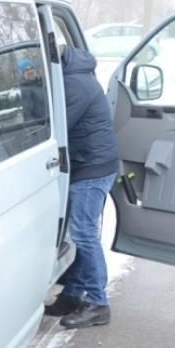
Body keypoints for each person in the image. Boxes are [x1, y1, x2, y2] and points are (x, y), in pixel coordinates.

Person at [44, 47, 120, 328]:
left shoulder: (74, 83)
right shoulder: (77, 75)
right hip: (90, 163)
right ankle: (73, 295)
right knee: (79, 233)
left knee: (84, 233)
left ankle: (98, 304)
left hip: (92, 168)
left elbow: (57, 127)